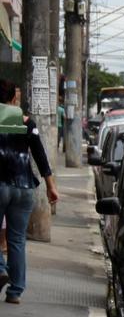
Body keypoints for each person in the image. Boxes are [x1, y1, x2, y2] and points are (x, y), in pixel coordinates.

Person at [0, 80, 59, 304]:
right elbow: (41, 158)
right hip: (24, 188)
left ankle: (0, 269)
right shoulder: (28, 123)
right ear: (13, 99)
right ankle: (15, 291)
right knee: (16, 241)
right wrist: (51, 187)